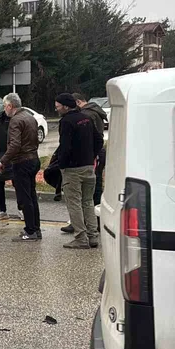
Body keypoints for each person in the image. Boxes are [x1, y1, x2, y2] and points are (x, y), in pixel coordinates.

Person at [54, 93, 104, 249]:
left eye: (58, 106)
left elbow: (65, 146)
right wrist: (91, 155)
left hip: (72, 169)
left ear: (65, 106)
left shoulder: (66, 122)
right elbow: (99, 140)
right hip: (88, 166)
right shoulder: (86, 118)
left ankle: (81, 238)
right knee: (88, 202)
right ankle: (93, 236)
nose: (57, 109)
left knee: (74, 203)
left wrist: (62, 164)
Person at [0, 93, 42, 242]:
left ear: (10, 106)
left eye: (5, 106)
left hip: (22, 161)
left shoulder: (15, 120)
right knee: (32, 195)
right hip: (33, 158)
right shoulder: (30, 117)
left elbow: (15, 145)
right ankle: (36, 228)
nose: (4, 109)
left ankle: (30, 230)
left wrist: (3, 161)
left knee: (25, 197)